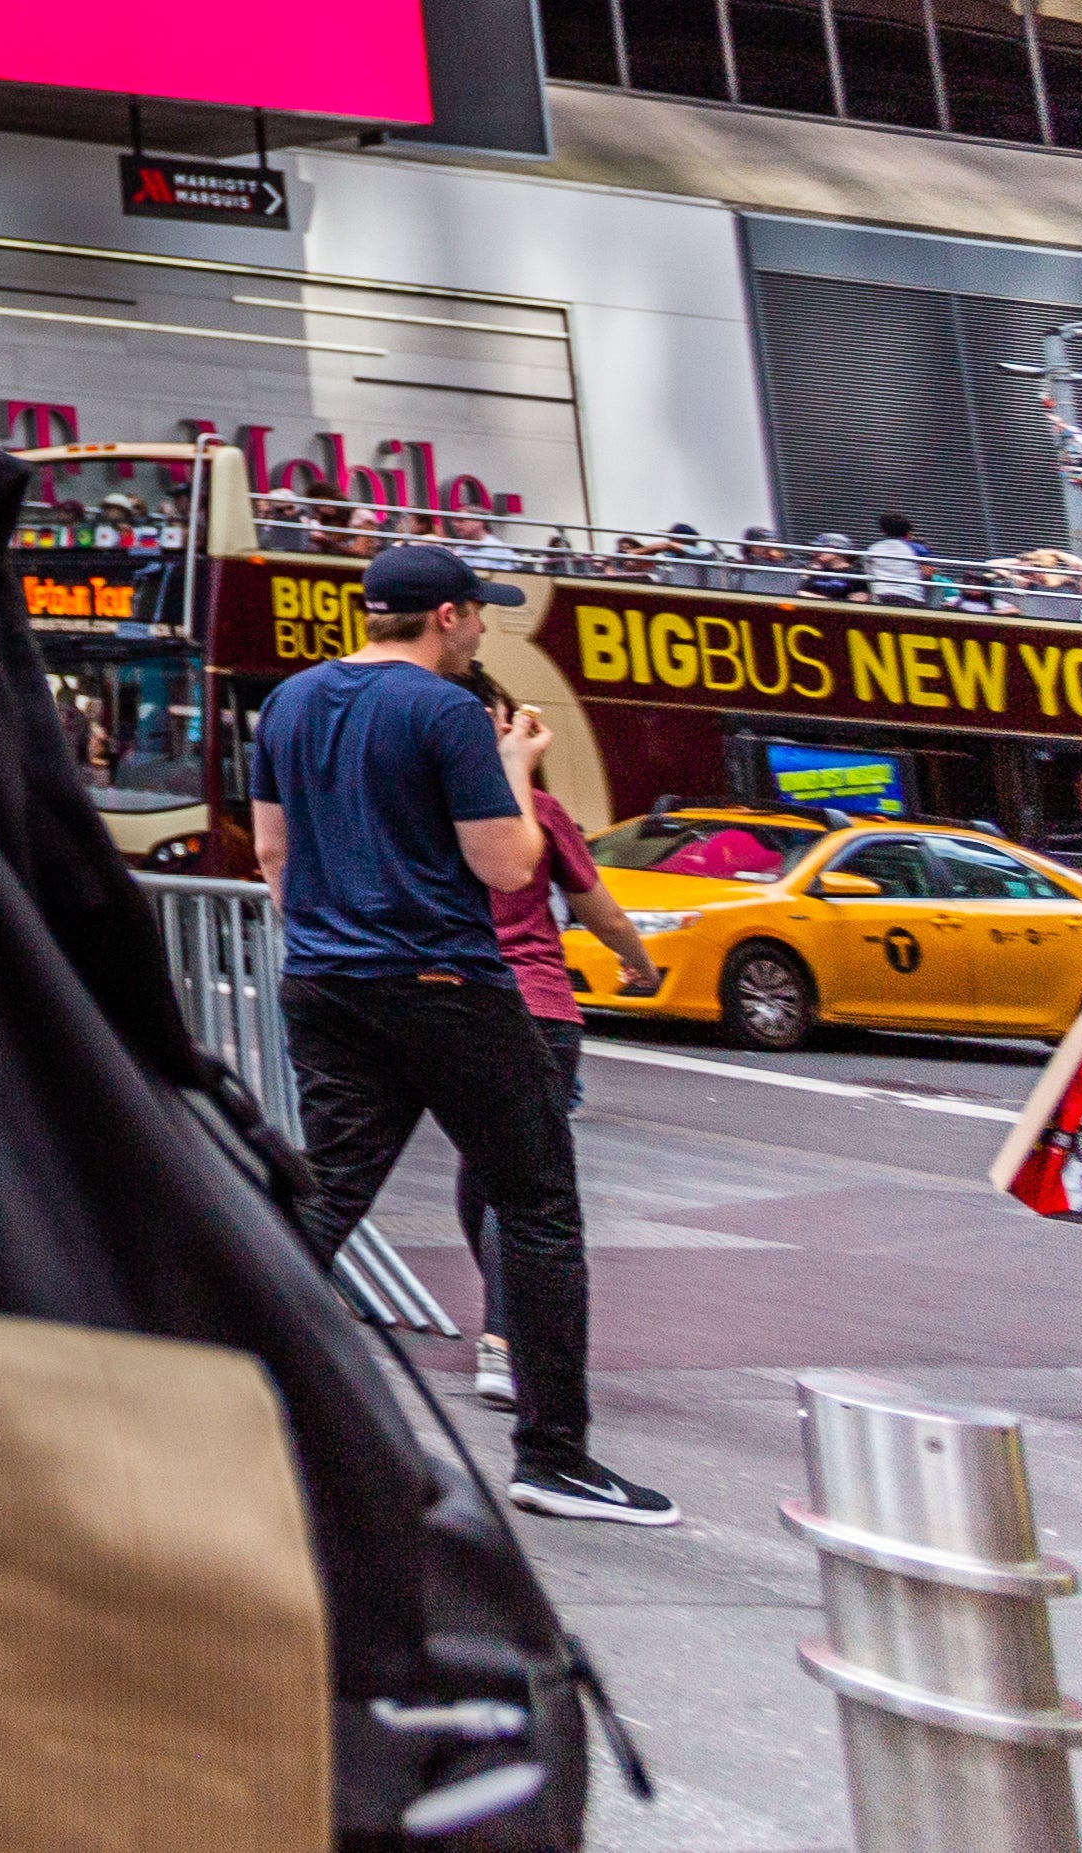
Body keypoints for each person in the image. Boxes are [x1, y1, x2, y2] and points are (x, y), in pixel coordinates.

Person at [253, 541, 674, 1525]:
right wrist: (517, 769)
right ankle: (553, 1456)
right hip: (444, 982)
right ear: (445, 616)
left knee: (326, 1195)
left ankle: (211, 1387)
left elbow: (274, 854)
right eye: (476, 612)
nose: (480, 626)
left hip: (321, 980)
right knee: (534, 1207)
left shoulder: (288, 704)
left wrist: (327, 935)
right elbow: (501, 865)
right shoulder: (442, 711)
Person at [452, 668, 657, 1417]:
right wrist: (640, 962)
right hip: (534, 1003)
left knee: (482, 1173)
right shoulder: (536, 811)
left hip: (454, 1000)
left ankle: (502, 1324)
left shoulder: (423, 808)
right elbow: (597, 908)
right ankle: (507, 1341)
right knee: (526, 1182)